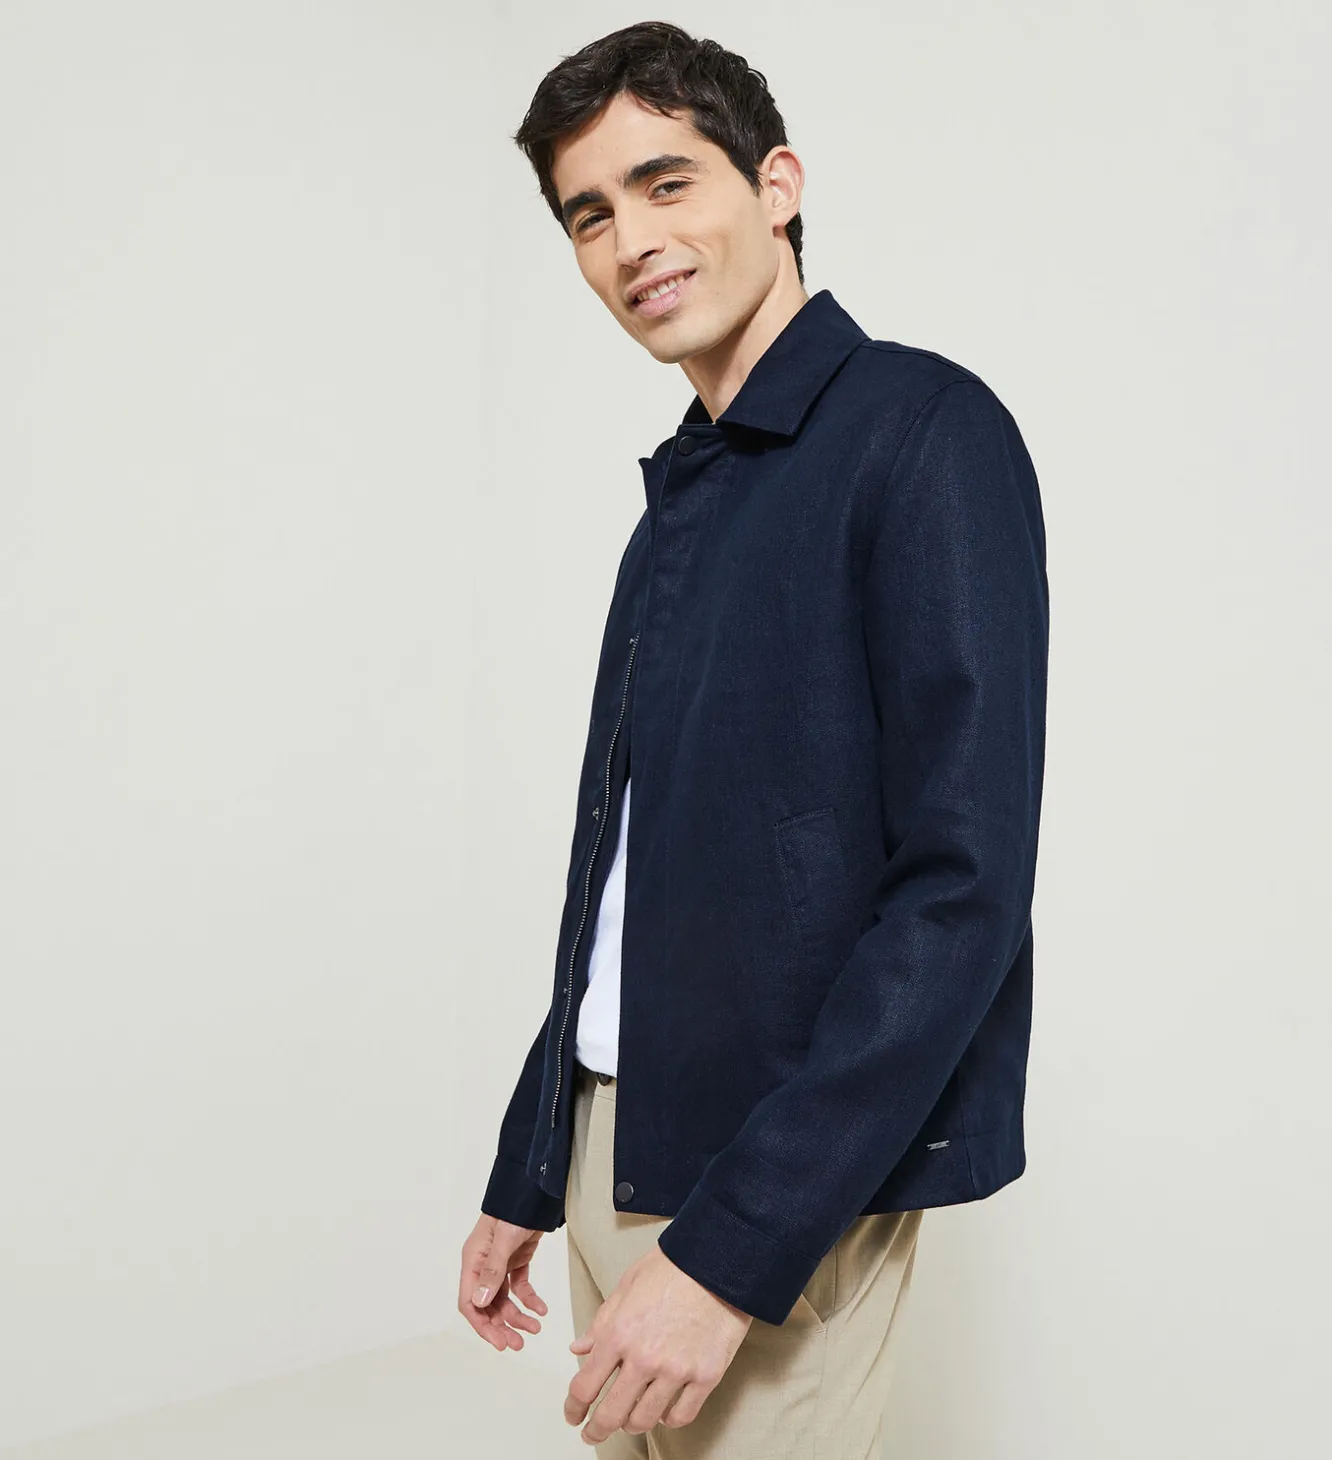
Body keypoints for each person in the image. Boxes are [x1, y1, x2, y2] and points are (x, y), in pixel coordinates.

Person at [457, 20, 1049, 1458]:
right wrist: (534, 1161)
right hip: (613, 1147)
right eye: (588, 215)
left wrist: (735, 1248)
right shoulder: (685, 492)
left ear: (776, 185)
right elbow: (626, 871)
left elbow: (961, 891)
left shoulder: (924, 432)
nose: (631, 243)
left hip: (765, 1178)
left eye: (666, 183)